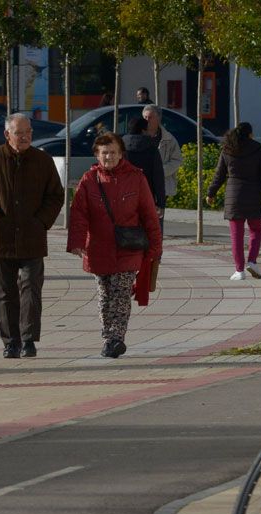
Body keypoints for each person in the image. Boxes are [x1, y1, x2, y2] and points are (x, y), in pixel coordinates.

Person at [0, 113, 65, 359]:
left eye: (28, 132)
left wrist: (41, 221)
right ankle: (10, 341)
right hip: (0, 238)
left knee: (31, 289)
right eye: (19, 133)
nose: (24, 137)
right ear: (7, 134)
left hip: (32, 237)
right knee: (3, 293)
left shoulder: (42, 160)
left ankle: (29, 339)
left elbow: (55, 195)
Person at [66, 133, 163, 358]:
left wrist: (155, 248)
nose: (108, 156)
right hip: (98, 248)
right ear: (97, 155)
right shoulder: (89, 180)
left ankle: (116, 338)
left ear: (121, 154)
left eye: (113, 152)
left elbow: (149, 214)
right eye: (104, 152)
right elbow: (79, 214)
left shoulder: (136, 178)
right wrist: (77, 243)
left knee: (120, 293)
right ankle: (108, 335)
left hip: (128, 247)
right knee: (105, 294)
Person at [205, 122, 261, 280]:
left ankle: (239, 271)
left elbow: (219, 174)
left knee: (237, 234)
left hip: (234, 196)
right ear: (250, 134)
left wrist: (211, 193)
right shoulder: (258, 148)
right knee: (255, 230)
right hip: (255, 194)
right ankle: (252, 261)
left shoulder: (228, 149)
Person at [142, 104, 182, 232]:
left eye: (150, 117)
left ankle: (157, 246)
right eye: (145, 117)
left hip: (160, 185)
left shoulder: (169, 139)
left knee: (157, 219)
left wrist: (160, 172)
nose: (147, 120)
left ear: (158, 118)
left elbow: (176, 160)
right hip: (141, 183)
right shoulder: (138, 137)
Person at [122, 117, 166, 220]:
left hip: (122, 197)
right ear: (143, 131)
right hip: (146, 197)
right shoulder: (152, 149)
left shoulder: (120, 148)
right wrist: (161, 203)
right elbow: (158, 177)